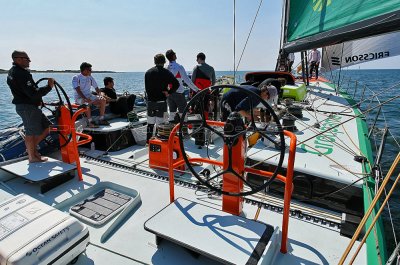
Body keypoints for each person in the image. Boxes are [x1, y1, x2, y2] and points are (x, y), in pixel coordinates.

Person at [7, 50, 54, 163]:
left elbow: (30, 91)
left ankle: (31, 150)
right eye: (27, 59)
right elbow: (33, 93)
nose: (29, 61)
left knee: (47, 127)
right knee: (31, 132)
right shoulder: (21, 74)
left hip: (30, 106)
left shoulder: (13, 72)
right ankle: (32, 157)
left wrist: (39, 100)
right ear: (18, 59)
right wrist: (49, 87)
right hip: (27, 107)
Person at [145, 54, 179, 142]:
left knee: (150, 124)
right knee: (160, 125)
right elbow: (176, 84)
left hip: (151, 102)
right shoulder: (166, 72)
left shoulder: (148, 73)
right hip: (162, 103)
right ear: (164, 62)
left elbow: (147, 88)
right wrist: (169, 92)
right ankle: (157, 142)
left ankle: (148, 142)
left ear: (154, 62)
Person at [165, 49, 199, 122]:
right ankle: (184, 132)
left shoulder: (166, 68)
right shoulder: (179, 67)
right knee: (183, 115)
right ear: (174, 56)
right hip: (179, 93)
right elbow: (187, 80)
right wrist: (196, 89)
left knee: (171, 114)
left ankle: (172, 132)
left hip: (169, 93)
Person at [72, 62, 109, 127]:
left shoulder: (90, 77)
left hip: (89, 96)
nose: (91, 71)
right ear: (85, 70)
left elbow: (96, 88)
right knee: (86, 103)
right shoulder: (76, 77)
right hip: (79, 98)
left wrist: (100, 95)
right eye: (90, 70)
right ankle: (90, 122)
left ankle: (101, 119)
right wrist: (85, 99)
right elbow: (78, 90)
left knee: (102, 100)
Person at [191, 52, 216, 146]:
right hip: (207, 94)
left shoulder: (196, 68)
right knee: (205, 113)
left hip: (197, 94)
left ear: (199, 59)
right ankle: (207, 138)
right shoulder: (211, 68)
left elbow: (192, 82)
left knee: (197, 114)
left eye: (197, 59)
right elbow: (213, 83)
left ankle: (197, 136)